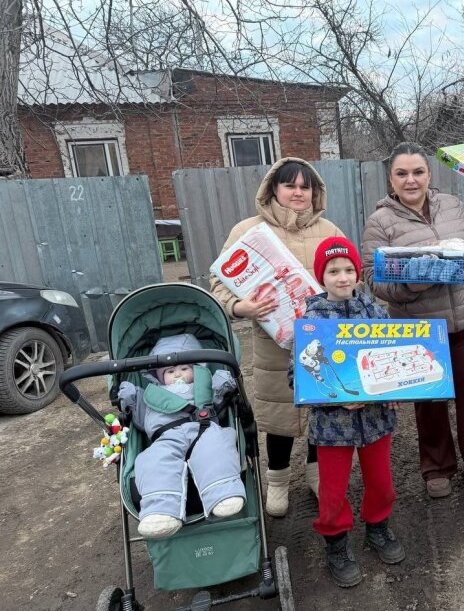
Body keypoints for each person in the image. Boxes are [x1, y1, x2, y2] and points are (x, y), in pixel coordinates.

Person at [361, 142, 464, 501]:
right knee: (429, 401)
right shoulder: (380, 222)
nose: (411, 180)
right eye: (401, 173)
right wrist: (414, 279)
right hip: (419, 328)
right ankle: (437, 468)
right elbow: (375, 281)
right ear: (390, 179)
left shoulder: (451, 204)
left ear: (429, 174)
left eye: (418, 172)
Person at [210, 157, 344, 517]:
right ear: (274, 189)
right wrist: (240, 307)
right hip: (273, 344)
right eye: (290, 185)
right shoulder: (247, 232)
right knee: (280, 415)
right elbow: (218, 282)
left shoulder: (330, 231)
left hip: (322, 341)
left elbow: (349, 274)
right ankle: (278, 480)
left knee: (322, 406)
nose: (298, 193)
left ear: (315, 191)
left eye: (305, 186)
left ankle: (316, 473)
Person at [289, 237, 404, 588]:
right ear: (321, 276)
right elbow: (298, 375)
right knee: (333, 491)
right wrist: (333, 399)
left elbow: (394, 359)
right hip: (331, 424)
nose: (342, 277)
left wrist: (397, 387)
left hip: (376, 420)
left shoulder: (375, 311)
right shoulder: (310, 319)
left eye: (349, 269)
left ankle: (378, 527)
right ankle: (336, 542)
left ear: (358, 273)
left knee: (382, 482)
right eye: (333, 271)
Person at [117, 334, 245, 539]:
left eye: (185, 368)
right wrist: (131, 398)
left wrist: (223, 385)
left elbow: (220, 403)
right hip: (166, 437)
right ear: (158, 376)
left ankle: (223, 493)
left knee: (217, 445)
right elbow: (140, 420)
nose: (178, 374)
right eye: (170, 371)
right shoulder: (150, 395)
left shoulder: (203, 385)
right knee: (152, 459)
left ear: (197, 369)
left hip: (203, 427)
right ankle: (161, 511)